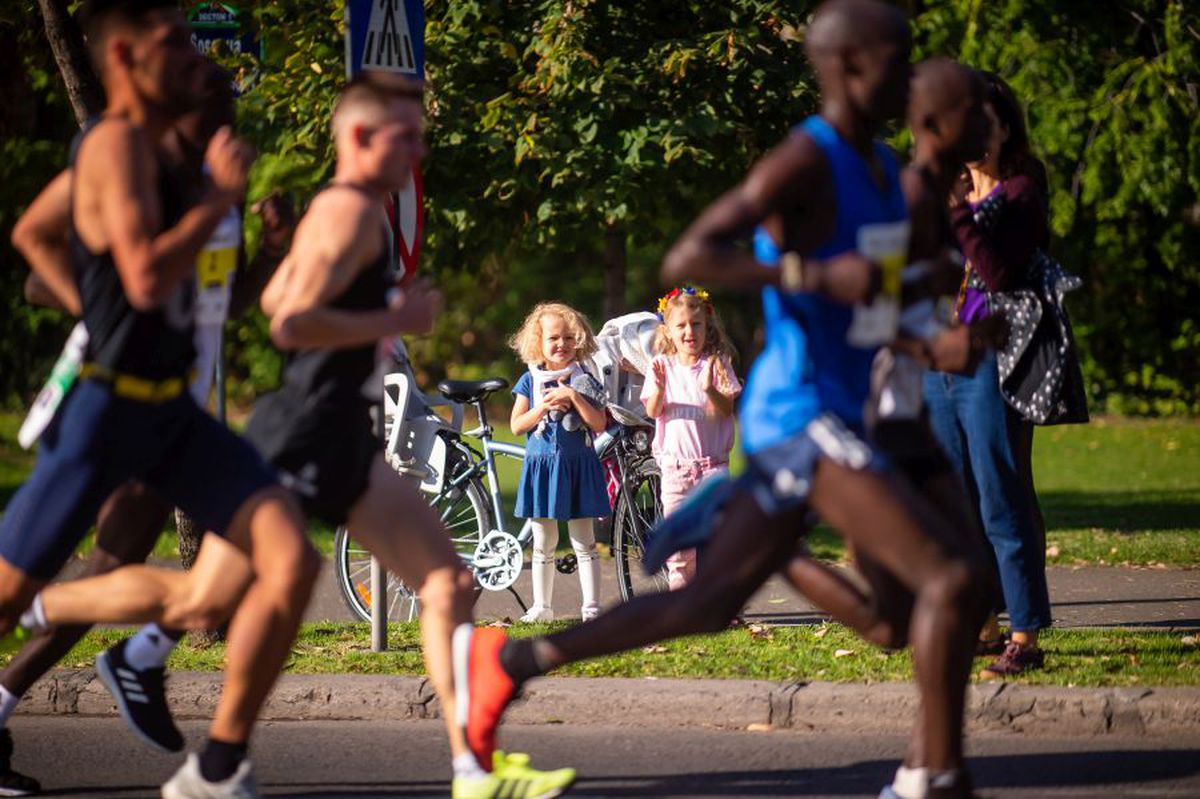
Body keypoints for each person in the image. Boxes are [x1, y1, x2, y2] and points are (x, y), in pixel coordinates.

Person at [452, 4, 989, 798]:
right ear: (846, 68)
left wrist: (928, 335)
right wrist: (805, 277)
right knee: (947, 579)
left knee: (879, 607)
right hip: (803, 416)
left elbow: (871, 308)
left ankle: (510, 661)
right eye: (895, 61)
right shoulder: (807, 159)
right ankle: (932, 779)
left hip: (869, 413)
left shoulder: (887, 173)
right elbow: (692, 254)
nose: (907, 78)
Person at [18, 70, 575, 799]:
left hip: (346, 435)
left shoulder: (358, 214)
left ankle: (471, 770)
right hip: (303, 432)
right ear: (360, 136)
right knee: (200, 601)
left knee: (450, 580)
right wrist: (392, 321)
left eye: (421, 134)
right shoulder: (347, 214)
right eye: (406, 135)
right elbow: (290, 321)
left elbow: (278, 292)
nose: (420, 150)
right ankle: (42, 608)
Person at [0, 2, 324, 797]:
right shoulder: (114, 147)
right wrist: (102, 307)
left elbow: (215, 296)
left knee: (290, 558)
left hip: (175, 412)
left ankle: (215, 766)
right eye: (175, 46)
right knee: (14, 589)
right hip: (106, 409)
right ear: (125, 59)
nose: (196, 61)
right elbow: (112, 267)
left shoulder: (200, 169)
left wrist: (265, 244)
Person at [923, 71, 1056, 679]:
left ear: (1005, 128)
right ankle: (983, 621)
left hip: (996, 360)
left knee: (1002, 494)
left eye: (985, 123)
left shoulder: (1023, 192)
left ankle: (1026, 633)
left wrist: (958, 216)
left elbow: (998, 274)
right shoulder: (945, 192)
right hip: (939, 361)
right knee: (958, 499)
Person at [508, 302, 609, 623]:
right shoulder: (529, 380)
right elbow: (517, 425)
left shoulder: (584, 378)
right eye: (553, 338)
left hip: (578, 466)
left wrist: (573, 397)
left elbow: (598, 423)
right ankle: (542, 607)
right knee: (543, 541)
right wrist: (543, 407)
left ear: (578, 340)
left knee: (584, 540)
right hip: (542, 467)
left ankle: (592, 608)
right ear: (538, 342)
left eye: (568, 338)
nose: (561, 345)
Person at [642, 285, 740, 589]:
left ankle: (717, 605)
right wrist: (658, 388)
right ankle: (681, 605)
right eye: (681, 325)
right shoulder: (662, 366)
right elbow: (653, 411)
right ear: (668, 331)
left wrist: (710, 388)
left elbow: (724, 411)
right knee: (681, 549)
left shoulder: (718, 363)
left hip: (713, 469)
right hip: (676, 471)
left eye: (695, 324)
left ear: (707, 325)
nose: (689, 332)